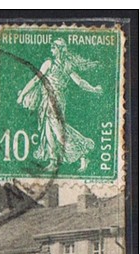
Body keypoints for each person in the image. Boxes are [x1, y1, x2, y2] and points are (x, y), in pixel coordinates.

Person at [17, 38, 103, 172]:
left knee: (58, 131)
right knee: (48, 130)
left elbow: (36, 80)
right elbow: (79, 82)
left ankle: (83, 155)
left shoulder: (50, 63)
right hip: (49, 99)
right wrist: (93, 89)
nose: (51, 50)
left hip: (55, 101)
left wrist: (23, 94)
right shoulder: (63, 65)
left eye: (54, 48)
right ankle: (53, 161)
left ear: (59, 50)